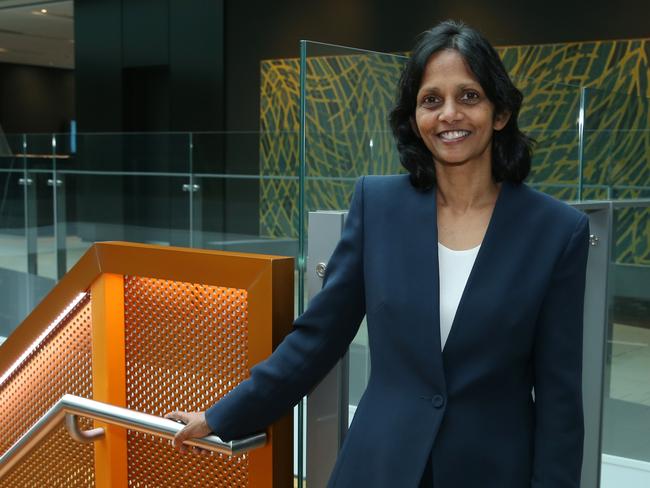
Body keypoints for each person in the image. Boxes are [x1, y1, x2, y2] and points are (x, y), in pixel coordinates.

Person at [165, 20, 590, 487]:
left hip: (491, 471)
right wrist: (225, 414)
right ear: (414, 118)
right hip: (379, 464)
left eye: (469, 96)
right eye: (431, 100)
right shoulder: (378, 205)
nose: (449, 114)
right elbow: (318, 337)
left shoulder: (557, 232)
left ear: (500, 112)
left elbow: (559, 398)